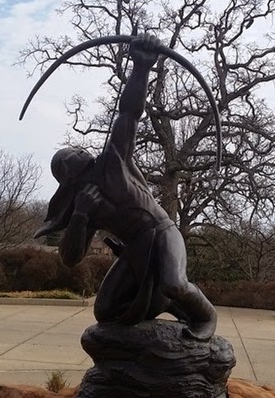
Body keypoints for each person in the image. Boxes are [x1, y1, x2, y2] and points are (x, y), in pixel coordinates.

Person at [35, 34, 217, 340]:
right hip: (135, 248)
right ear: (67, 174)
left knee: (173, 282)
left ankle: (205, 314)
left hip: (162, 232)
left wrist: (141, 67)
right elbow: (70, 257)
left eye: (77, 148)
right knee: (106, 311)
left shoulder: (113, 161)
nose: (80, 150)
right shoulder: (85, 201)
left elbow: (129, 114)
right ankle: (166, 303)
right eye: (71, 154)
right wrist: (80, 215)